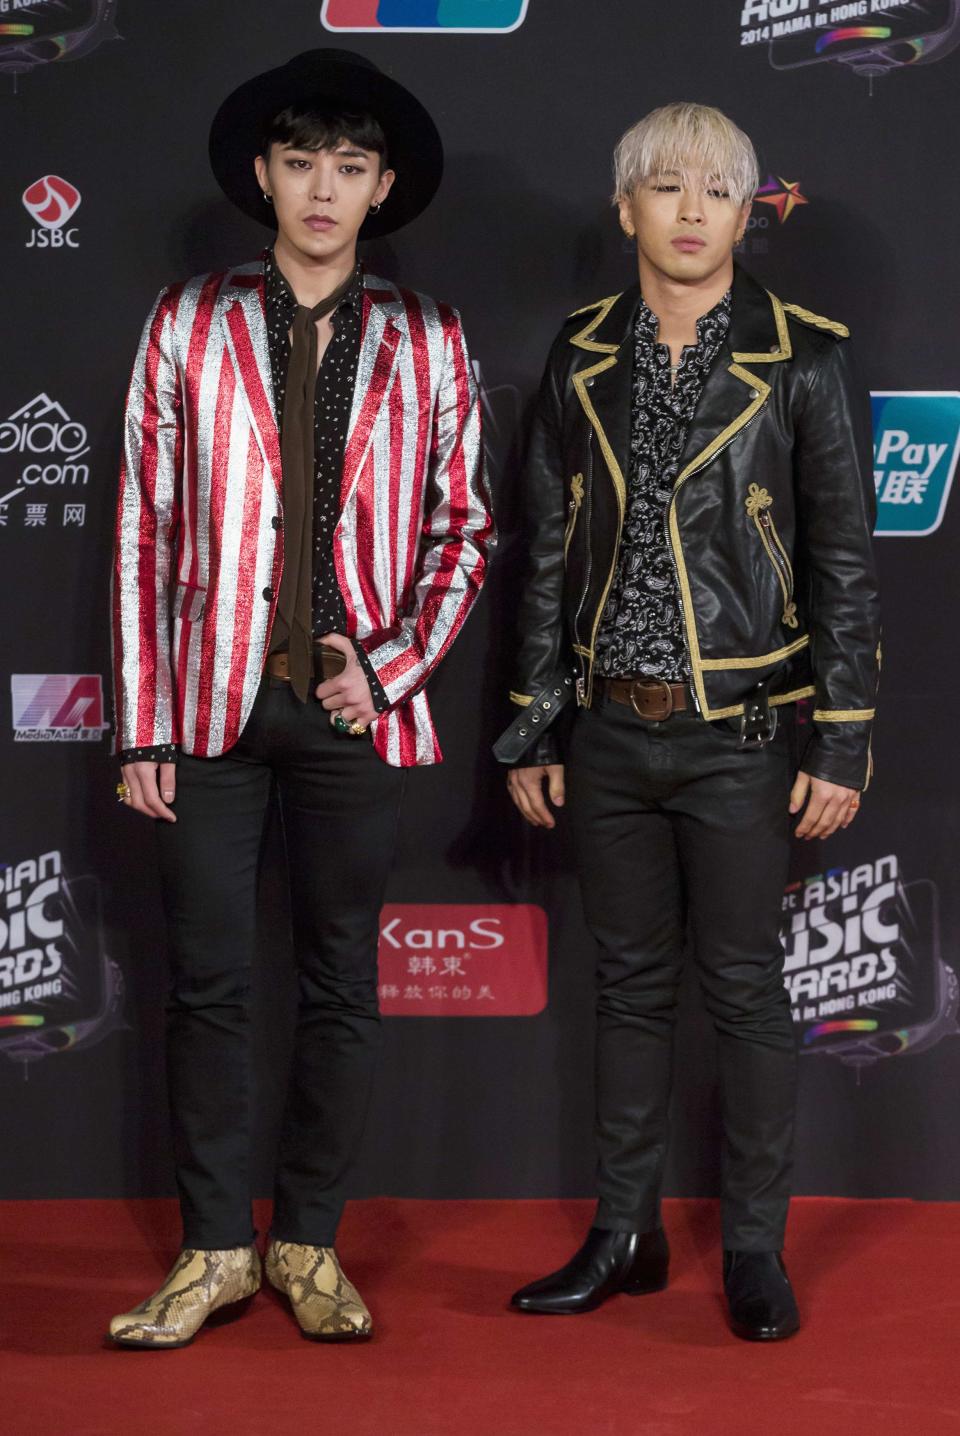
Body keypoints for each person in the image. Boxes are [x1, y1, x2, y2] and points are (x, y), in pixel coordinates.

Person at [109, 48, 492, 1348]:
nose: (322, 189)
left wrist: (386, 667)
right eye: (300, 162)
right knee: (209, 987)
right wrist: (144, 722)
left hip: (354, 717)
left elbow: (464, 534)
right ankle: (215, 1249)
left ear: (381, 187)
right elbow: (143, 532)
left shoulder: (431, 340)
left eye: (349, 165)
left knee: (339, 985)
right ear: (263, 175)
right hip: (209, 713)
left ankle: (310, 1244)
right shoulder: (187, 320)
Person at [499, 102, 879, 1340]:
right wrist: (533, 721)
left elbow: (844, 561)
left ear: (746, 209)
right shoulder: (580, 353)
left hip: (743, 732)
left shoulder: (804, 356)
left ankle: (755, 1251)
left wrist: (843, 734)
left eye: (717, 189)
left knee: (748, 990)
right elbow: (546, 552)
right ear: (628, 210)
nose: (693, 210)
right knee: (628, 987)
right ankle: (626, 1231)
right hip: (609, 729)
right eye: (667, 188)